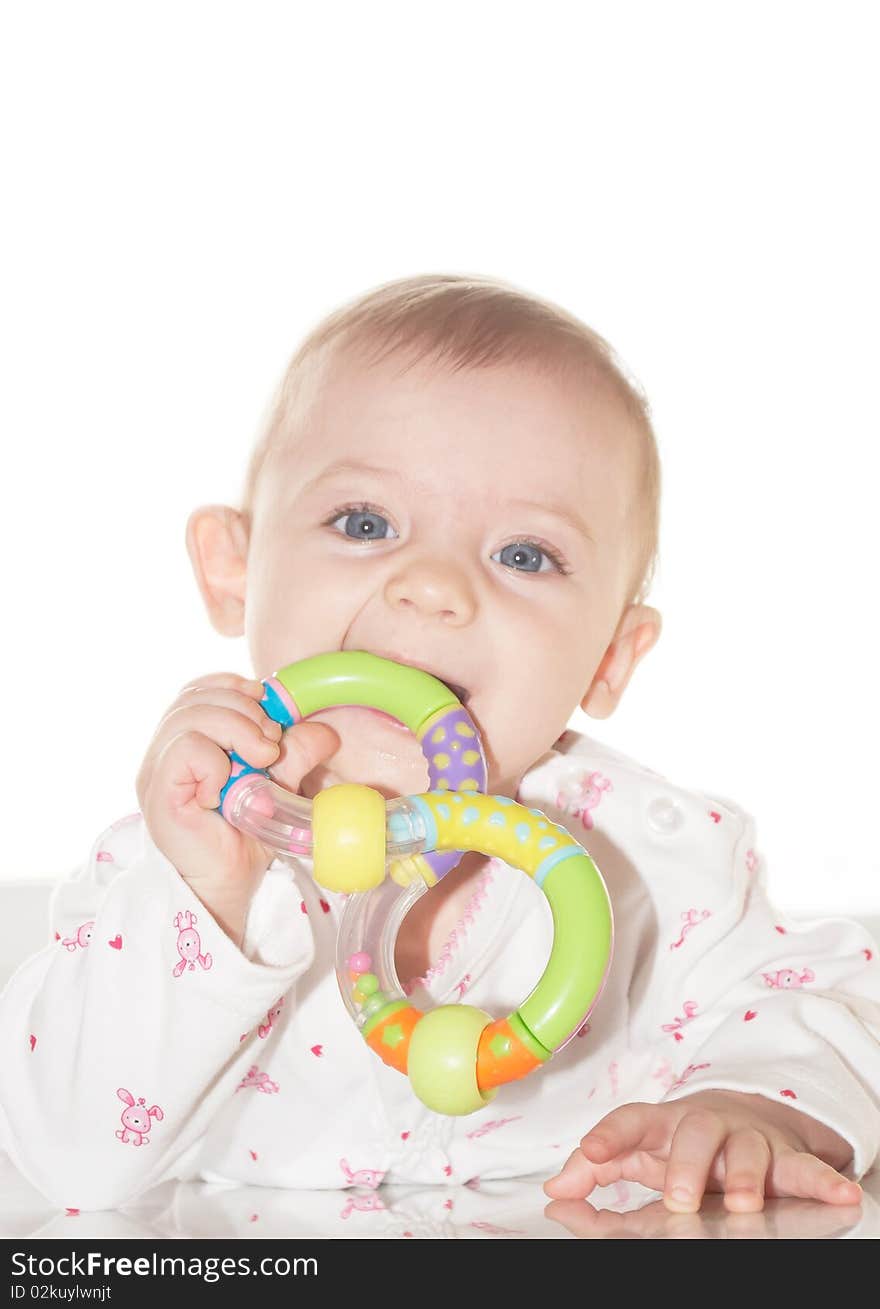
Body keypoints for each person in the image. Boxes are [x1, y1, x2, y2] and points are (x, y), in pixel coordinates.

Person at [1, 274, 877, 1218]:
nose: (432, 585)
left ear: (609, 658)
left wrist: (751, 1104)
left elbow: (824, 1005)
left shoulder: (651, 866)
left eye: (524, 554)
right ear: (233, 571)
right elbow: (72, 1167)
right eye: (365, 523)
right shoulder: (175, 866)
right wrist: (207, 899)